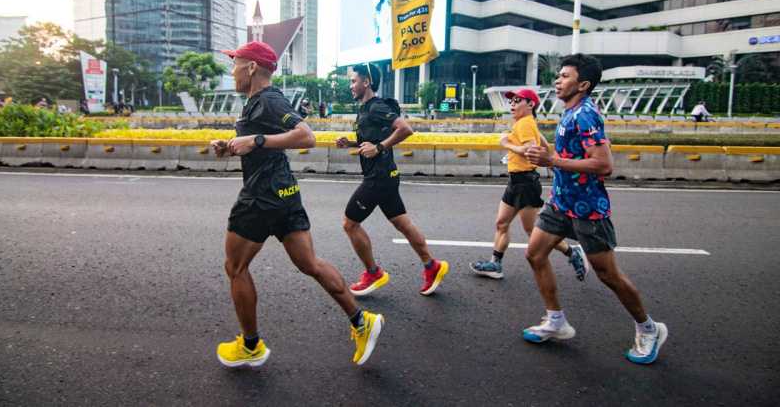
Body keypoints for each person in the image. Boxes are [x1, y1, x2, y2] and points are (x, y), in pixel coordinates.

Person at [212, 42, 384, 368]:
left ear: (251, 67)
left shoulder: (268, 99)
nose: (231, 70)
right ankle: (362, 321)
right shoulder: (257, 103)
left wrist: (256, 141)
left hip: (261, 197)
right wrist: (233, 146)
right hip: (285, 193)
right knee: (310, 264)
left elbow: (306, 136)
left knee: (235, 267)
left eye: (236, 63)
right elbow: (261, 143)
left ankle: (250, 346)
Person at [522, 53, 668, 365]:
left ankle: (649, 328)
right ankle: (556, 321)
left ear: (583, 84)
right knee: (534, 254)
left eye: (564, 76)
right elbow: (568, 155)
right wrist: (545, 152)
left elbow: (604, 165)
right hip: (561, 202)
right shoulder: (570, 112)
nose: (557, 80)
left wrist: (552, 161)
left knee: (607, 274)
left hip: (587, 207)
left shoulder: (586, 114)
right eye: (558, 75)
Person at [336, 62, 449, 297]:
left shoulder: (376, 106)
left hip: (378, 177)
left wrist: (379, 148)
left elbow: (405, 129)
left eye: (354, 81)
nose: (351, 86)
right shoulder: (365, 109)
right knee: (402, 224)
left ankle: (373, 272)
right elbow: (372, 138)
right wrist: (352, 143)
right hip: (387, 175)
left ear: (366, 82)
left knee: (350, 224)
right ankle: (432, 266)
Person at [470, 88, 587, 281]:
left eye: (517, 101)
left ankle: (572, 252)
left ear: (531, 104)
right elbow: (542, 144)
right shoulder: (526, 123)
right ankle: (495, 264)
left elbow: (530, 150)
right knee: (501, 223)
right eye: (511, 101)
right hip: (516, 181)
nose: (512, 104)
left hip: (525, 182)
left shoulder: (524, 123)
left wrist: (506, 143)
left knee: (533, 231)